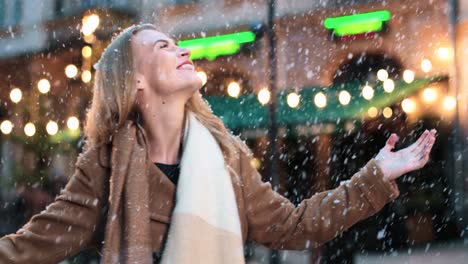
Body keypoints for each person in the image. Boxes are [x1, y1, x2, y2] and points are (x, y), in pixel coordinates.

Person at [0, 24, 437, 264]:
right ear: (134, 81)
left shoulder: (228, 161)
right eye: (163, 46)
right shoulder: (105, 167)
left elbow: (296, 227)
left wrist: (376, 176)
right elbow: (30, 247)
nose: (182, 50)